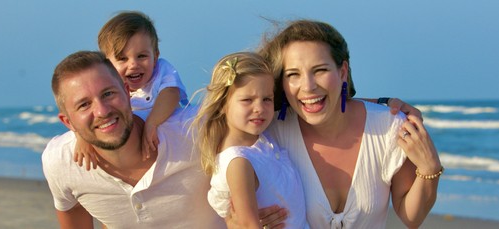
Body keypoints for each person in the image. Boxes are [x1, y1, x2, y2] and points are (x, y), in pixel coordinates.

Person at [250, 20, 442, 228]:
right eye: (293, 74)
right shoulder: (270, 134)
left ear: (342, 72)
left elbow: (411, 217)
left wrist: (430, 168)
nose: (308, 86)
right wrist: (236, 221)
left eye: (320, 70)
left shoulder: (388, 126)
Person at [42, 51, 223, 228]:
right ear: (68, 122)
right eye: (84, 104)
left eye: (108, 94)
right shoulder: (61, 161)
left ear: (127, 93)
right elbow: (72, 210)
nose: (102, 111)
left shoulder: (196, 129)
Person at [191, 52, 308, 228]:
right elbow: (247, 225)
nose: (259, 108)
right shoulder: (239, 162)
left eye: (267, 99)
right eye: (247, 100)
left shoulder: (262, 141)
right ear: (223, 104)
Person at [74, 11, 190, 169]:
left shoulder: (161, 70)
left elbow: (171, 93)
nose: (133, 64)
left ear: (155, 56)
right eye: (122, 59)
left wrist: (152, 123)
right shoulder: (106, 83)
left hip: (171, 142)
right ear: (107, 64)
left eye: (142, 56)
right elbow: (83, 111)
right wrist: (82, 138)